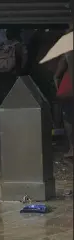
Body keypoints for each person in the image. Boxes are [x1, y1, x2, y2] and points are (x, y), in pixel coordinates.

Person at [54, 24, 73, 160]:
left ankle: (72, 148)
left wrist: (58, 88)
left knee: (69, 119)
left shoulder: (67, 51)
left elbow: (56, 76)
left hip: (69, 91)